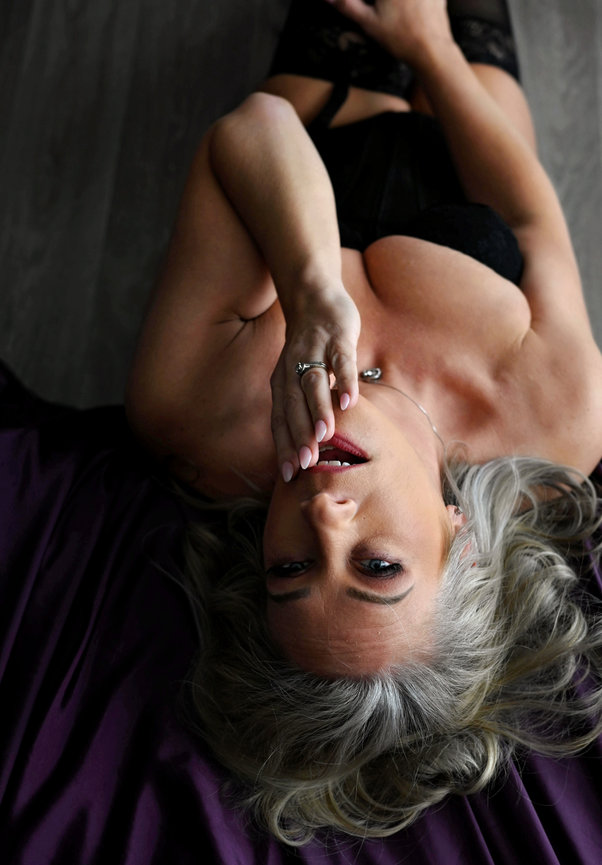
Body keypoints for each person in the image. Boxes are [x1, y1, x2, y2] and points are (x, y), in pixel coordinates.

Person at [125, 0, 602, 844]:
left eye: (291, 567)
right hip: (470, 117)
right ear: (459, 541)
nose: (322, 516)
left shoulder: (194, 413)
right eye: (376, 565)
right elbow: (530, 219)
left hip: (324, 98)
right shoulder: (560, 420)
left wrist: (311, 290)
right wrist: (432, 50)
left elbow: (256, 126)